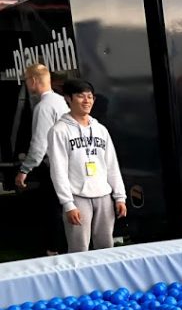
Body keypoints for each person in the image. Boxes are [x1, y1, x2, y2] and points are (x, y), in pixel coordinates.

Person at [46, 79, 127, 253]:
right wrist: (68, 204)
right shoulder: (59, 130)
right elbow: (58, 170)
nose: (86, 101)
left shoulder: (100, 129)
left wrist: (120, 196)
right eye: (80, 96)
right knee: (79, 248)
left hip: (103, 195)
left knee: (106, 246)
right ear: (68, 98)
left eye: (90, 97)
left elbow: (111, 164)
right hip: (77, 196)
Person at [14, 63, 69, 256]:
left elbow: (39, 144)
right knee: (64, 207)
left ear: (34, 80)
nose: (26, 84)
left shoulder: (43, 107)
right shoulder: (61, 101)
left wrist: (24, 170)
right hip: (68, 163)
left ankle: (54, 250)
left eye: (26, 80)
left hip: (53, 166)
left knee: (52, 209)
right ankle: (64, 247)